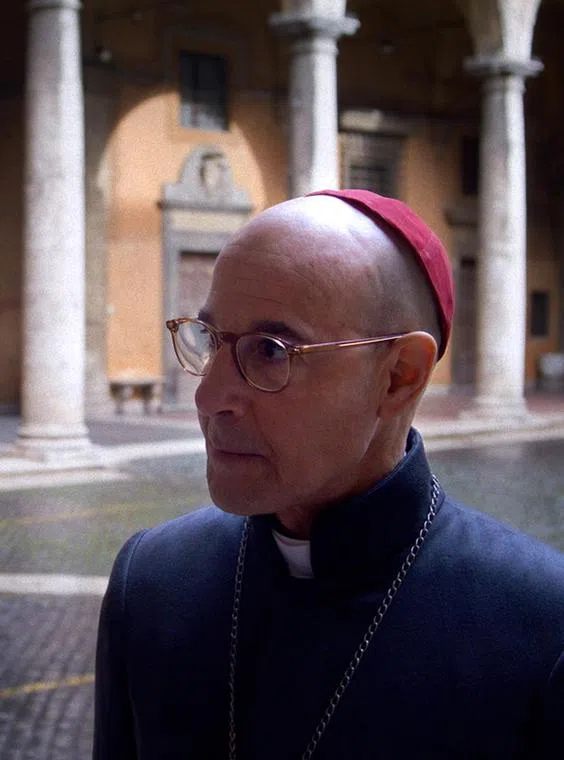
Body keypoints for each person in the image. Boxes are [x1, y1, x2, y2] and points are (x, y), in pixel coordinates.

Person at [94, 189, 564, 759]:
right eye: (210, 339)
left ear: (398, 377)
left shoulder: (543, 629)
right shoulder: (151, 580)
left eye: (271, 352)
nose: (210, 394)